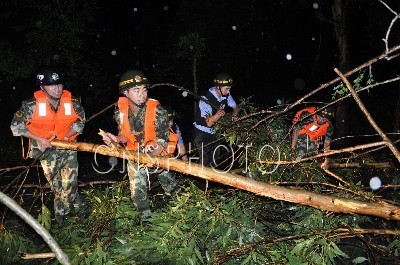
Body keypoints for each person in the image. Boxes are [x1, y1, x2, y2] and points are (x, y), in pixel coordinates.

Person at [10, 68, 88, 226]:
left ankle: (81, 213)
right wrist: (39, 139)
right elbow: (15, 126)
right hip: (45, 151)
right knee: (57, 187)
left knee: (70, 183)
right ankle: (63, 222)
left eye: (59, 85)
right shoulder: (30, 105)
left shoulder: (72, 102)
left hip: (67, 148)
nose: (57, 89)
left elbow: (81, 121)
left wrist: (68, 135)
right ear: (42, 88)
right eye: (52, 86)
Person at [102, 69, 179, 219]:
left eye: (144, 89)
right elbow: (125, 135)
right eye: (136, 90)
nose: (142, 94)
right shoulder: (120, 111)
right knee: (137, 189)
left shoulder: (158, 110)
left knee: (171, 186)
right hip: (136, 155)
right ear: (125, 93)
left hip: (158, 155)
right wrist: (116, 139)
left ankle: (180, 209)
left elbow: (163, 140)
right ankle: (145, 217)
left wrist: (150, 159)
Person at [193, 72, 240, 167]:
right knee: (205, 161)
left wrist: (235, 115)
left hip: (215, 132)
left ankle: (211, 180)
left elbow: (236, 107)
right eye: (226, 89)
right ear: (218, 87)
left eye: (229, 89)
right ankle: (202, 179)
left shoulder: (226, 95)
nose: (228, 91)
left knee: (215, 159)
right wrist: (218, 115)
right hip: (202, 133)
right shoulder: (205, 98)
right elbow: (209, 123)